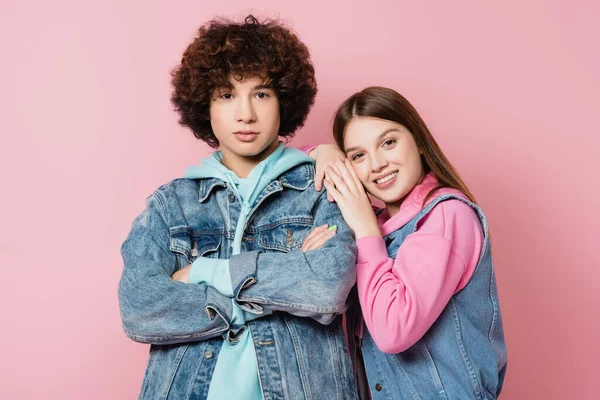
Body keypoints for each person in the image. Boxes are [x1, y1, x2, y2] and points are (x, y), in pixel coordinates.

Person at [118, 15, 359, 399]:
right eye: (227, 95)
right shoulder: (171, 205)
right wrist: (258, 299)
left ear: (284, 102)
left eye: (261, 94)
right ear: (205, 106)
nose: (245, 114)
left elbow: (328, 286)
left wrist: (203, 272)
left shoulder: (320, 188)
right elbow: (139, 306)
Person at [308, 86, 507, 399]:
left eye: (388, 142)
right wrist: (323, 152)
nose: (376, 165)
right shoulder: (379, 225)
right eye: (358, 156)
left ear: (418, 142)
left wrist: (363, 226)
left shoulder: (445, 216)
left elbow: (392, 331)